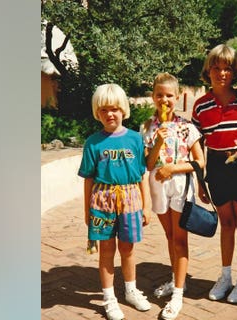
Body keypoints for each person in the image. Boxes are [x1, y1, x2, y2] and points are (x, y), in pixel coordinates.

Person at [191, 44, 237, 304]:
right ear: (208, 70)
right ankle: (225, 276)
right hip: (217, 169)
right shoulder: (200, 106)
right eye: (217, 68)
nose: (221, 73)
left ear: (234, 72)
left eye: (228, 69)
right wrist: (199, 178)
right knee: (226, 224)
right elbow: (195, 144)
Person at [78, 83, 152, 320]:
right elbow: (88, 179)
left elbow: (142, 175)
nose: (110, 114)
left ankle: (131, 290)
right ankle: (109, 297)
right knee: (106, 250)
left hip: (131, 199)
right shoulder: (93, 142)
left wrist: (146, 205)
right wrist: (87, 211)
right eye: (103, 110)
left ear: (123, 110)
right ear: (97, 113)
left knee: (128, 249)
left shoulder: (135, 139)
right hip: (102, 201)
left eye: (114, 109)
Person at [142, 73, 205, 320]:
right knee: (169, 236)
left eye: (169, 95)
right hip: (158, 185)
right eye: (160, 95)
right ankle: (177, 280)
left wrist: (173, 168)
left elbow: (200, 163)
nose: (164, 99)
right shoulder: (147, 126)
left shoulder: (187, 127)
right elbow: (147, 164)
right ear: (153, 97)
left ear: (178, 97)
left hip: (180, 184)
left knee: (180, 239)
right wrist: (157, 144)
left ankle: (177, 295)